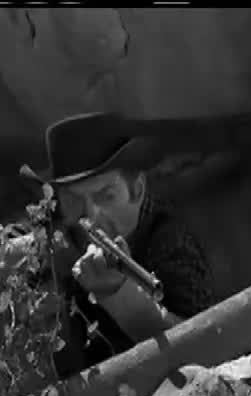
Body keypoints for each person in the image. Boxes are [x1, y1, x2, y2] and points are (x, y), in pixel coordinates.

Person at [20, 112, 217, 377]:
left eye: (106, 196)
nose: (90, 215)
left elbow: (204, 346)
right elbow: (11, 240)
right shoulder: (59, 227)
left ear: (136, 190)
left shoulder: (168, 241)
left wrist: (118, 294)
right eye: (74, 201)